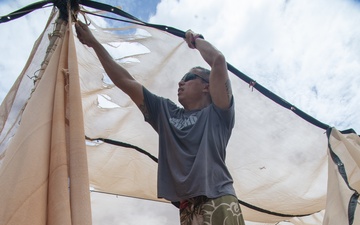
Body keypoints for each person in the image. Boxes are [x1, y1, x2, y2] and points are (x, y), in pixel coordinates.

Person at [75, 20, 245, 225]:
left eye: (189, 77)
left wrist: (194, 39)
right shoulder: (166, 112)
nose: (180, 82)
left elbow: (218, 60)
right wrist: (95, 44)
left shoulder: (218, 113)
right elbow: (126, 82)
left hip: (218, 197)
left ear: (206, 87)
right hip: (188, 208)